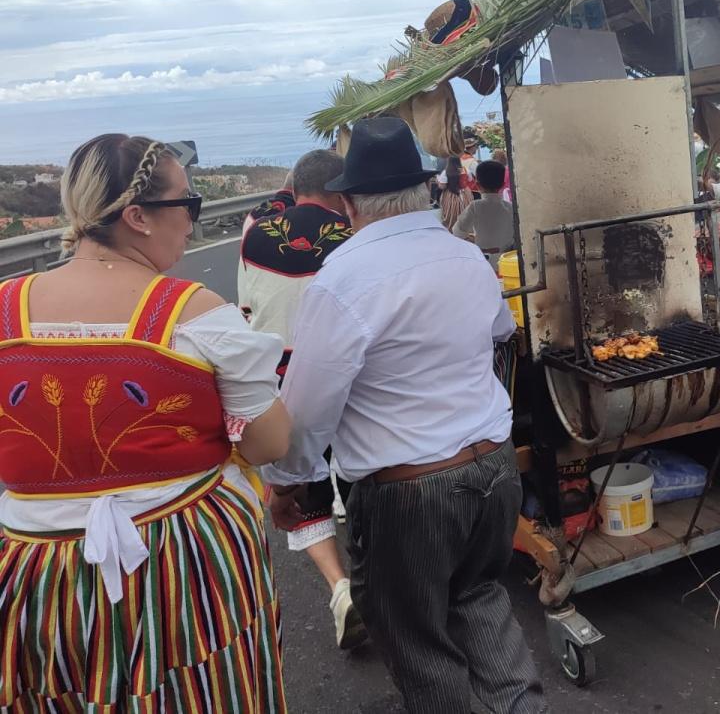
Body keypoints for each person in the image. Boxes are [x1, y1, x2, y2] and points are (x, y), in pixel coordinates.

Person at [0, 134, 292, 712]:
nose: (192, 219)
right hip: (178, 557)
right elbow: (269, 443)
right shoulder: (197, 314)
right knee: (201, 684)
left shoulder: (7, 307)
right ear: (136, 217)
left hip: (36, 565)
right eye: (188, 203)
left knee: (54, 690)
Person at [262, 119, 545, 714]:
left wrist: (291, 483)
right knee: (480, 598)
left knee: (417, 641)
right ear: (424, 191)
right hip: (492, 467)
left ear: (346, 203)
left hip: (410, 492)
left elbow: (309, 410)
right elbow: (501, 332)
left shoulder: (340, 281)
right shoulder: (465, 256)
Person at [238, 149, 365, 650]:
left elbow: (247, 309)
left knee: (301, 489)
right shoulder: (354, 239)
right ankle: (382, 577)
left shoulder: (254, 235)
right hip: (346, 378)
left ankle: (340, 586)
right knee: (362, 476)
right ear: (341, 193)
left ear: (294, 190)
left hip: (282, 381)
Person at [452, 160, 515, 270]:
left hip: (483, 262)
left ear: (477, 185)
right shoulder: (511, 208)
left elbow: (457, 232)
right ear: (503, 185)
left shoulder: (475, 207)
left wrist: (473, 240)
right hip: (508, 263)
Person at [438, 155, 474, 231]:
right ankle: (466, 229)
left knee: (451, 213)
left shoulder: (446, 172)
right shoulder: (465, 170)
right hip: (465, 194)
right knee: (466, 211)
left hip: (451, 194)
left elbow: (442, 186)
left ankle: (452, 229)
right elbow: (470, 180)